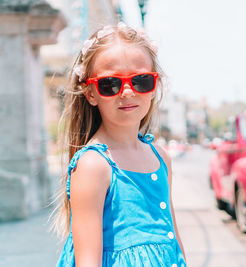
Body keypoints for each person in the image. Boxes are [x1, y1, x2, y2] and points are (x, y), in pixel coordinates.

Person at [50, 22, 186, 266]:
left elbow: (173, 238)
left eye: (141, 81)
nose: (127, 92)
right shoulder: (93, 165)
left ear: (154, 87)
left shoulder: (161, 157)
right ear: (90, 93)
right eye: (110, 84)